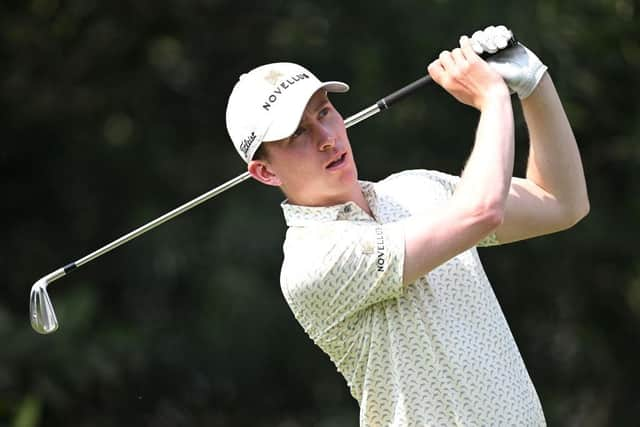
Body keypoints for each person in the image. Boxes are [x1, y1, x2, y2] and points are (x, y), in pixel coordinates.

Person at [225, 25, 589, 426]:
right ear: (263, 172)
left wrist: (534, 85)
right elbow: (481, 211)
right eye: (298, 134)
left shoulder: (417, 189)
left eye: (324, 112)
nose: (327, 138)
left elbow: (561, 202)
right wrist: (493, 98)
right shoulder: (312, 261)